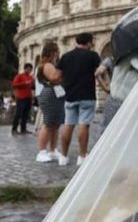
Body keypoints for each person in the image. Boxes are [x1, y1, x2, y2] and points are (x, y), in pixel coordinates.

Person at [57, 33, 101, 166]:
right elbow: (99, 72)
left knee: (68, 124)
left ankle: (63, 156)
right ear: (88, 43)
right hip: (87, 94)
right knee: (84, 125)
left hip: (70, 94)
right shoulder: (93, 55)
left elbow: (58, 75)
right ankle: (82, 156)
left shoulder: (66, 56)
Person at [35, 42, 65, 163]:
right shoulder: (46, 65)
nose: (58, 53)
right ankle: (42, 151)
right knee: (48, 124)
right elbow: (54, 77)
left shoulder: (50, 64)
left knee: (55, 124)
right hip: (49, 94)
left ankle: (52, 150)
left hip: (55, 94)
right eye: (56, 50)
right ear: (51, 52)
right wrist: (63, 70)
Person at [11, 63, 36, 135]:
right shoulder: (19, 76)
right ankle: (14, 129)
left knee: (26, 114)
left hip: (28, 97)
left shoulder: (31, 77)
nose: (29, 70)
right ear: (24, 69)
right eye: (28, 69)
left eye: (30, 69)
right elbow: (14, 84)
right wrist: (24, 83)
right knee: (18, 114)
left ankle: (23, 129)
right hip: (21, 98)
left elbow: (32, 87)